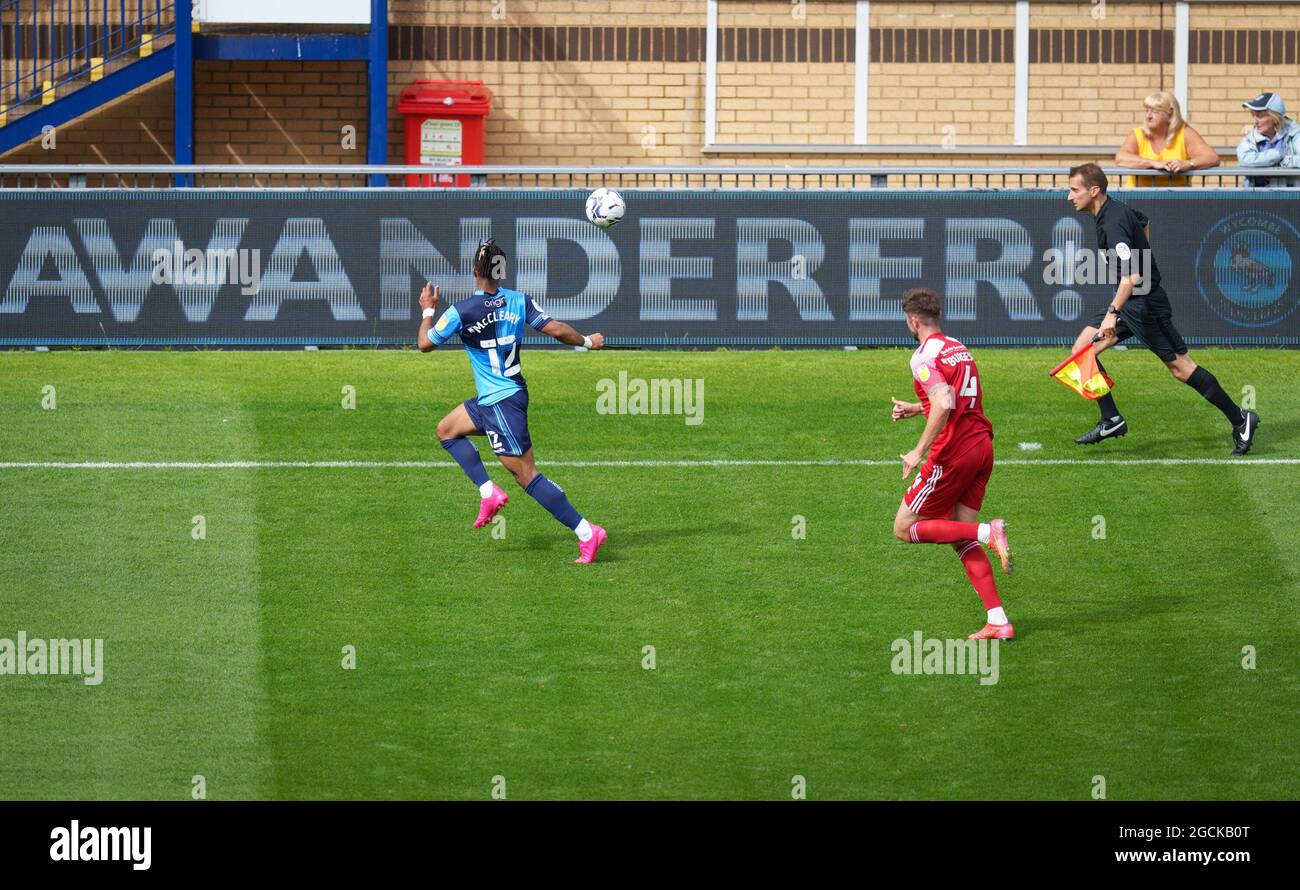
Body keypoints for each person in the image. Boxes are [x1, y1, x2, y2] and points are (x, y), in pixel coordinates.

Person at [418, 238, 609, 564]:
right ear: (502, 271)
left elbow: (424, 343)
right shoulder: (519, 301)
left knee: (526, 475)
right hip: (502, 396)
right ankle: (488, 492)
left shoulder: (460, 312)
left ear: (474, 270)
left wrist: (427, 309)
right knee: (447, 430)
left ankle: (587, 532)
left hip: (501, 403)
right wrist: (588, 342)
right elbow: (558, 330)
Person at [1064, 163, 1259, 454]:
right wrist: (1141, 257)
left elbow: (1132, 277)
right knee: (1082, 354)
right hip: (1130, 302)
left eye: (1074, 190)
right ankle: (1111, 418)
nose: (1069, 196)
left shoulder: (1112, 223)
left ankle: (1241, 418)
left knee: (1182, 369)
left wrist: (1111, 314)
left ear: (1094, 191)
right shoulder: (1113, 211)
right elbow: (1144, 222)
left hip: (1145, 305)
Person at [890, 288, 1015, 642]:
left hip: (954, 453)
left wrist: (917, 451)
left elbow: (944, 400)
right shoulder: (958, 347)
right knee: (959, 535)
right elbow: (955, 395)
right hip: (982, 447)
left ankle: (988, 532)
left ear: (913, 320)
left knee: (904, 527)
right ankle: (998, 620)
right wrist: (917, 408)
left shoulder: (922, 356)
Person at [1115, 91, 1219, 187]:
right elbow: (1121, 158)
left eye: (1155, 111)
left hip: (1176, 200)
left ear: (1170, 113)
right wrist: (1154, 163)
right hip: (1137, 198)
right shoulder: (1138, 133)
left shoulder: (1185, 133)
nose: (1148, 116)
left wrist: (1188, 164)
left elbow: (1211, 157)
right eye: (1147, 111)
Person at [1236, 92, 1300, 187]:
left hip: (1290, 197)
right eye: (1253, 115)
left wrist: (1284, 161)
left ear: (1274, 117)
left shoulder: (1294, 133)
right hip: (1257, 197)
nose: (1255, 121)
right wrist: (1278, 156)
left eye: (1260, 116)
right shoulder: (1251, 136)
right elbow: (1244, 159)